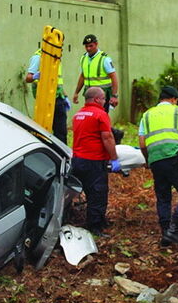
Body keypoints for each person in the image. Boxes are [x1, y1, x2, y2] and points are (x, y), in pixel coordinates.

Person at [138, 86, 178, 247]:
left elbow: (142, 143)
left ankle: (165, 234)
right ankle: (174, 229)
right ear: (173, 99)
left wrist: (148, 159)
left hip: (156, 161)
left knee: (163, 197)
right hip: (174, 158)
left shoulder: (147, 115)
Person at [71, 87, 121, 235]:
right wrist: (114, 158)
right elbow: (107, 137)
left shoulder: (78, 115)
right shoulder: (100, 114)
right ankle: (95, 226)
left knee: (88, 191)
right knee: (98, 194)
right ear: (97, 99)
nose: (105, 101)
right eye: (104, 99)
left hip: (78, 160)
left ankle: (98, 220)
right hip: (94, 161)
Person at [25, 46, 68, 143]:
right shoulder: (38, 57)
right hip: (45, 98)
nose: (61, 52)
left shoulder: (55, 57)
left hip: (58, 98)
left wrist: (65, 96)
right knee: (43, 131)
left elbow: (57, 81)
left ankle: (62, 155)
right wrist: (36, 76)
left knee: (61, 132)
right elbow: (28, 78)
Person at [72, 34, 119, 113]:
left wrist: (114, 96)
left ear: (96, 44)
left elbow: (113, 77)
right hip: (89, 94)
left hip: (102, 95)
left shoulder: (104, 59)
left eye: (91, 46)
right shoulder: (83, 58)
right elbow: (83, 76)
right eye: (86, 46)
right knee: (90, 116)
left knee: (101, 116)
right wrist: (76, 92)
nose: (88, 48)